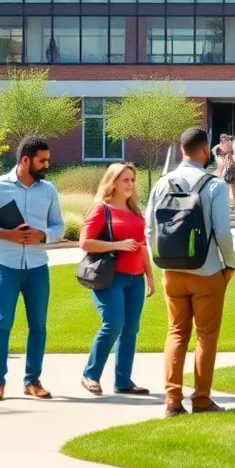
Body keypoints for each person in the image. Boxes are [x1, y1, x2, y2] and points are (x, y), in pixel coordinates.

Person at [149, 126, 235, 418]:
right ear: (203, 150)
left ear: (181, 149)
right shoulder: (213, 185)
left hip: (171, 269)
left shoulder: (162, 182)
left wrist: (160, 259)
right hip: (206, 268)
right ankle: (201, 398)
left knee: (175, 333)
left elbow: (149, 228)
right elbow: (223, 232)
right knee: (206, 335)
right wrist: (229, 264)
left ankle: (172, 401)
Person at [0, 136, 65, 401]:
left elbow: (59, 227)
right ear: (26, 160)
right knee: (2, 323)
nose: (47, 164)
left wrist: (44, 235)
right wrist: (5, 234)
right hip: (6, 265)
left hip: (37, 266)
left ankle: (32, 381)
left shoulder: (48, 190)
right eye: (42, 160)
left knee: (38, 326)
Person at [79, 163, 155, 396]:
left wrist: (150, 275)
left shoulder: (135, 212)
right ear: (112, 182)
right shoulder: (101, 209)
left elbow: (142, 246)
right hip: (109, 278)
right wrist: (116, 245)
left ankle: (123, 381)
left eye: (132, 180)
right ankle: (90, 375)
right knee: (113, 324)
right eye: (125, 180)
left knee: (131, 329)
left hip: (135, 279)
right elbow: (85, 242)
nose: (131, 184)